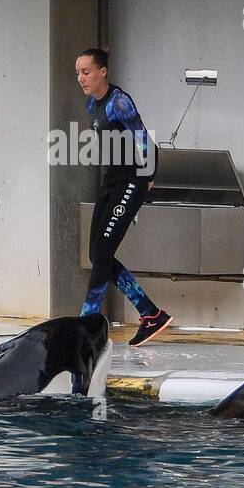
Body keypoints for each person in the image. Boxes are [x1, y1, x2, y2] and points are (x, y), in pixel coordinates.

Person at [75, 48, 173, 347]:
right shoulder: (94, 104)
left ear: (103, 71)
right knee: (96, 254)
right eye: (78, 73)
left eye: (86, 72)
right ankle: (150, 313)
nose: (81, 78)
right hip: (111, 183)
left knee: (103, 253)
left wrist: (146, 178)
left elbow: (145, 140)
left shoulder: (119, 101)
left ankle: (86, 325)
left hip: (130, 182)